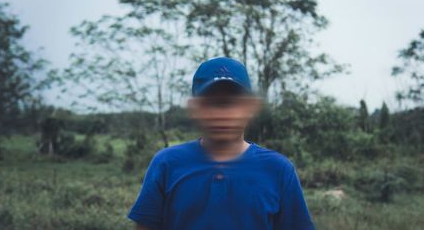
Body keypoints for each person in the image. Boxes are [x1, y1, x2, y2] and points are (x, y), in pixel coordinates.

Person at [128, 57, 315, 230]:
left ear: (249, 108)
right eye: (211, 103)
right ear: (195, 109)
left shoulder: (278, 170)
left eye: (232, 103)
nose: (222, 114)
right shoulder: (167, 164)